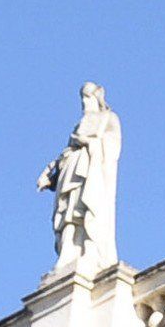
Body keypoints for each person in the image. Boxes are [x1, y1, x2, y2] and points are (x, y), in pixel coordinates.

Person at [38, 81, 121, 276]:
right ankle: (68, 251)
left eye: (88, 97)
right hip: (72, 169)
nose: (84, 102)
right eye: (82, 98)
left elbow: (112, 147)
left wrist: (88, 143)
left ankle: (89, 248)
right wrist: (49, 175)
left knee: (86, 209)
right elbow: (66, 153)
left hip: (91, 170)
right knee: (68, 212)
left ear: (97, 98)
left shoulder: (108, 118)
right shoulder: (80, 123)